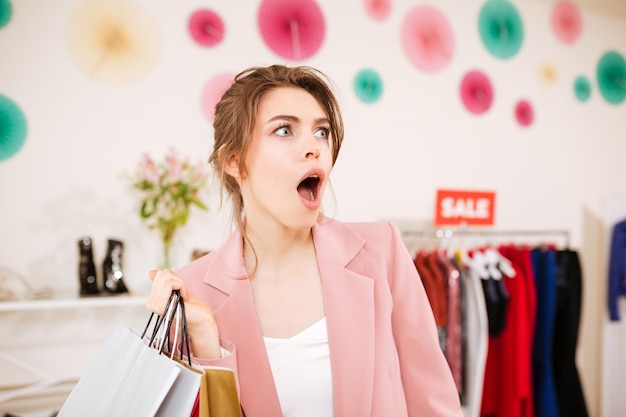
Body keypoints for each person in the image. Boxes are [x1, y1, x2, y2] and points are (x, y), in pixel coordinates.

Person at [146, 64, 463, 417]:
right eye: (284, 130)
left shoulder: (380, 250)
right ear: (234, 161)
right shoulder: (191, 294)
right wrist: (205, 340)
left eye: (322, 132)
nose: (314, 147)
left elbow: (433, 400)